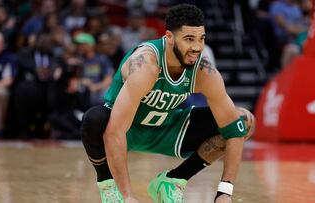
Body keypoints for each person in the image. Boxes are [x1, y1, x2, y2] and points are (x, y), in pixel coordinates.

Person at [81, 4, 255, 203]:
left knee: (244, 119)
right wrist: (128, 196)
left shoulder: (204, 71)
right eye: (189, 39)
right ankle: (109, 186)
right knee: (93, 119)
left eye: (201, 39)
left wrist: (224, 192)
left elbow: (234, 130)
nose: (197, 47)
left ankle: (174, 180)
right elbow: (115, 132)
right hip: (126, 128)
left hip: (166, 127)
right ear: (169, 37)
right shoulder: (146, 65)